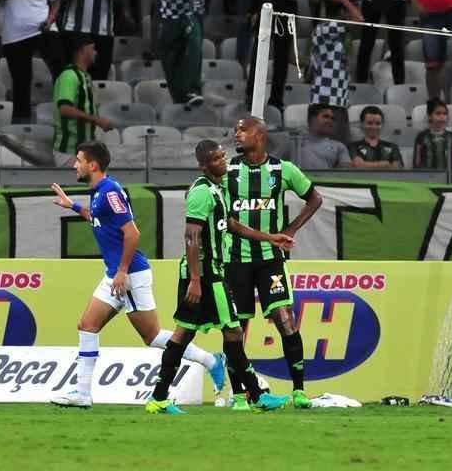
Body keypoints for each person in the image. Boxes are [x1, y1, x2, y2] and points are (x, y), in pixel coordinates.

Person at [48, 141, 229, 407]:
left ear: (93, 164)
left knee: (153, 336)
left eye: (79, 160)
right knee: (87, 325)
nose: (75, 164)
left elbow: (132, 233)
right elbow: (99, 220)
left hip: (129, 274)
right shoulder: (99, 193)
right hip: (116, 274)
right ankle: (82, 394)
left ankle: (211, 360)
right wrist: (73, 206)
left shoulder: (110, 192)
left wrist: (122, 272)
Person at [145, 138, 292, 415]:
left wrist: (269, 238)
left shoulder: (218, 189)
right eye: (215, 159)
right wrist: (196, 281)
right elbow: (192, 237)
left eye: (223, 156)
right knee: (232, 330)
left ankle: (159, 398)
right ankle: (256, 395)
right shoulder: (201, 192)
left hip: (210, 273)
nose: (222, 161)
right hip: (206, 275)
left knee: (184, 334)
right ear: (202, 165)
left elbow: (231, 225)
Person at [222, 118, 322, 409]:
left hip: (270, 261)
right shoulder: (228, 170)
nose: (237, 134)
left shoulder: (283, 170)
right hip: (235, 260)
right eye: (236, 130)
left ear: (261, 135)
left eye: (243, 130)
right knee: (236, 328)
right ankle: (239, 395)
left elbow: (314, 199)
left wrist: (290, 229)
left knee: (285, 320)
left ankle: (299, 391)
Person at [308, 0, 362, 139]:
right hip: (321, 36)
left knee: (338, 96)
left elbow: (359, 19)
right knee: (319, 93)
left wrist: (343, 0)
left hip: (341, 37)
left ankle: (338, 140)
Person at [53, 39, 115, 159]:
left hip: (84, 151)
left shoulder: (86, 76)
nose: (95, 52)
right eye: (92, 48)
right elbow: (65, 108)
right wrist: (97, 120)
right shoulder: (69, 75)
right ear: (83, 50)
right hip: (68, 152)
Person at [413, 99, 452, 169]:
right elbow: (417, 162)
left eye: (445, 114)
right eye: (437, 113)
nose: (442, 117)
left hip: (449, 177)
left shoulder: (451, 137)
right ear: (429, 116)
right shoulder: (422, 136)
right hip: (426, 177)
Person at [298, 104, 353, 169]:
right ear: (312, 119)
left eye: (333, 118)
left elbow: (346, 170)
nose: (330, 121)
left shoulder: (339, 146)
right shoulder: (294, 141)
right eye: (325, 116)